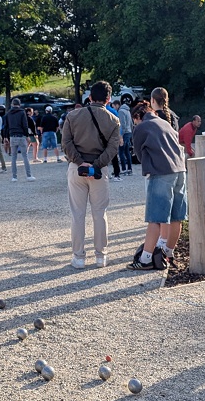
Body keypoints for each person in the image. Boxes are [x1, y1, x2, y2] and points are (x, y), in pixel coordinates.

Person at [61, 81, 121, 268]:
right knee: (100, 214)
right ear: (108, 99)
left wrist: (80, 162)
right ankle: (100, 256)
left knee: (77, 214)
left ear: (90, 97)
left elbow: (66, 143)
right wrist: (95, 165)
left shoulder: (73, 116)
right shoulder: (113, 120)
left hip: (76, 168)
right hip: (98, 171)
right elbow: (112, 150)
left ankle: (78, 257)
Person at [127, 99, 187, 270]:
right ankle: (168, 253)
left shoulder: (141, 127)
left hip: (160, 172)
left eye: (134, 120)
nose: (135, 123)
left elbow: (138, 155)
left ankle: (145, 259)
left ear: (138, 116)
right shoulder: (165, 123)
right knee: (176, 216)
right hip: (180, 170)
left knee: (155, 218)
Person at [4, 98, 35, 181]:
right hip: (21, 136)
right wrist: (27, 135)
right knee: (25, 156)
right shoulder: (22, 112)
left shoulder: (8, 113)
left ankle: (14, 177)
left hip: (12, 136)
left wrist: (5, 137)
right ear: (19, 104)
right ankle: (29, 176)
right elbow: (25, 125)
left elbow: (6, 126)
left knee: (13, 157)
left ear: (12, 104)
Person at [118, 101, 134, 176]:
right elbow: (131, 123)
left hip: (124, 133)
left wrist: (121, 135)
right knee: (127, 152)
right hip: (129, 132)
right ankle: (129, 169)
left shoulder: (121, 111)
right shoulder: (128, 111)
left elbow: (122, 124)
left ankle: (124, 169)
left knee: (121, 151)